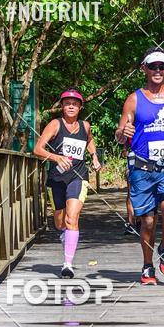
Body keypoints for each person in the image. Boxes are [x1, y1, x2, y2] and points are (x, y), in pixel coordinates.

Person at [115, 46, 164, 285]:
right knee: (148, 221)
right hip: (142, 168)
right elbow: (119, 134)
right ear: (144, 69)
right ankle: (148, 265)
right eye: (153, 66)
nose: (158, 70)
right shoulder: (134, 99)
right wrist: (123, 131)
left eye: (162, 66)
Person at [34, 89, 101, 278]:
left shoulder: (85, 126)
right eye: (67, 103)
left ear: (80, 107)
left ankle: (67, 264)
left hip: (78, 177)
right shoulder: (55, 124)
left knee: (72, 218)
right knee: (59, 220)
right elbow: (37, 149)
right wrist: (56, 157)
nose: (71, 106)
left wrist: (94, 156)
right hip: (56, 178)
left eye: (75, 103)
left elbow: (89, 141)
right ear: (62, 106)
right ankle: (65, 234)